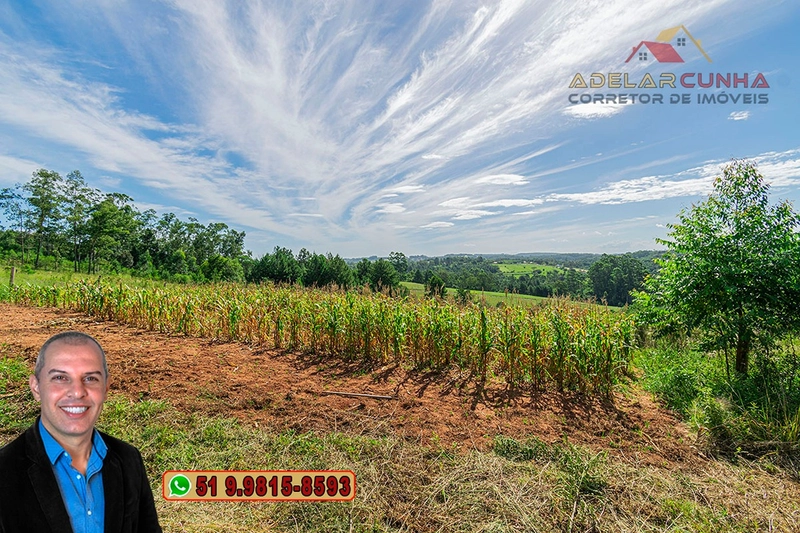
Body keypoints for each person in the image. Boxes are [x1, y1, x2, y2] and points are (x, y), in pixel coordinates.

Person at [0, 331, 162, 533]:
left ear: (106, 388)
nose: (77, 392)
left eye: (90, 378)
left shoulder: (129, 460)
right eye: (60, 377)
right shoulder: (4, 471)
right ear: (36, 387)